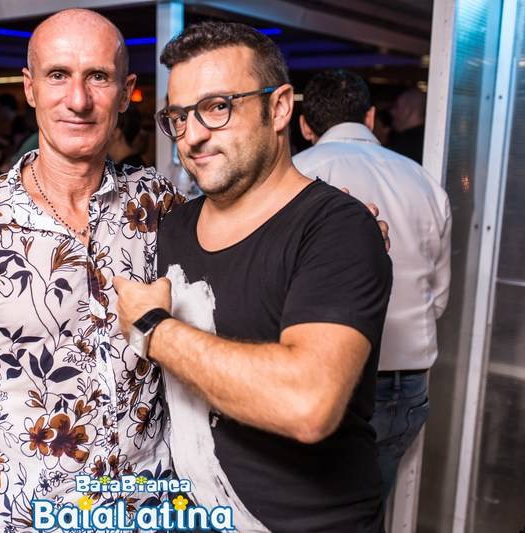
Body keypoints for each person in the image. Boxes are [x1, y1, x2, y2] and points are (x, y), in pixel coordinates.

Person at [112, 22, 393, 532]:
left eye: (217, 107)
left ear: (280, 108)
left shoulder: (337, 227)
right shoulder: (173, 228)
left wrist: (154, 329)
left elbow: (307, 403)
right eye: (178, 116)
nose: (193, 135)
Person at [0, 9, 179, 532]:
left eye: (97, 77)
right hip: (29, 510)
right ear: (30, 88)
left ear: (126, 93)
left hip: (152, 500)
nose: (78, 100)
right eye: (58, 75)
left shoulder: (159, 205)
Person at [295, 69, 451, 500]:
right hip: (408, 384)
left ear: (305, 125)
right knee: (370, 504)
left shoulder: (297, 177)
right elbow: (438, 299)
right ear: (369, 117)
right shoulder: (424, 181)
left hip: (329, 382)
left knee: (317, 508)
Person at [388, 87, 426, 163]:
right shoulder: (430, 140)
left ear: (408, 110)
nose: (391, 112)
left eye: (396, 106)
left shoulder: (405, 145)